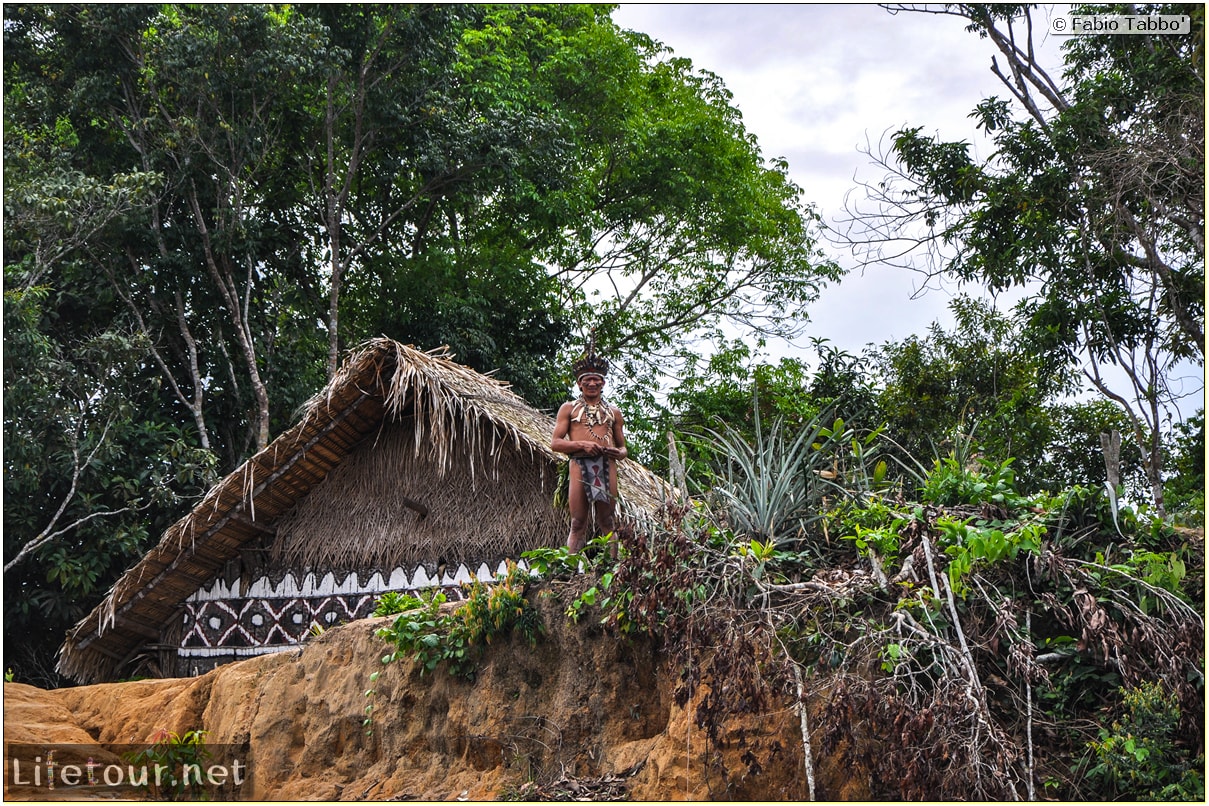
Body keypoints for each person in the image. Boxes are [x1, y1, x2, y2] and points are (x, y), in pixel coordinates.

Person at [550, 340, 627, 553]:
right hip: (578, 464)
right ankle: (570, 567)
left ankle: (612, 566)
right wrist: (581, 445)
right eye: (587, 380)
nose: (592, 383)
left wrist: (617, 453)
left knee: (607, 520)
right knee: (577, 522)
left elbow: (623, 449)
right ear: (579, 384)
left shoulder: (614, 412)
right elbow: (555, 443)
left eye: (596, 380)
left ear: (603, 384)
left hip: (606, 465)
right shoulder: (568, 409)